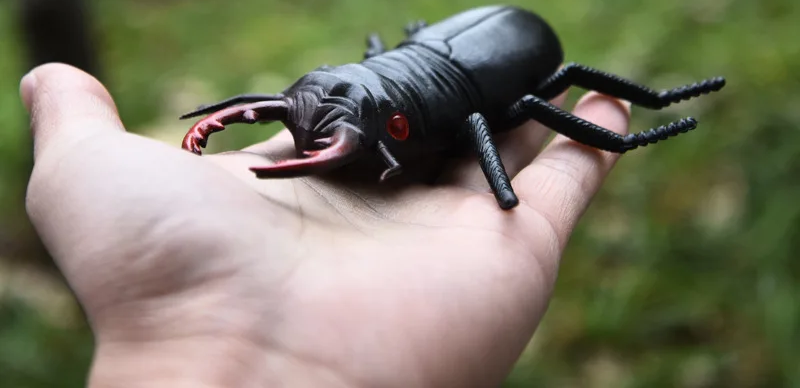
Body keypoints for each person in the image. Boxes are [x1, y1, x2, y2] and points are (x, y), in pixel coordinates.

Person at [22, 62, 631, 388]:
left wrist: (503, 190)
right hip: (409, 66)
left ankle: (648, 109)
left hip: (502, 61)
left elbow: (491, 123)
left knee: (516, 112)